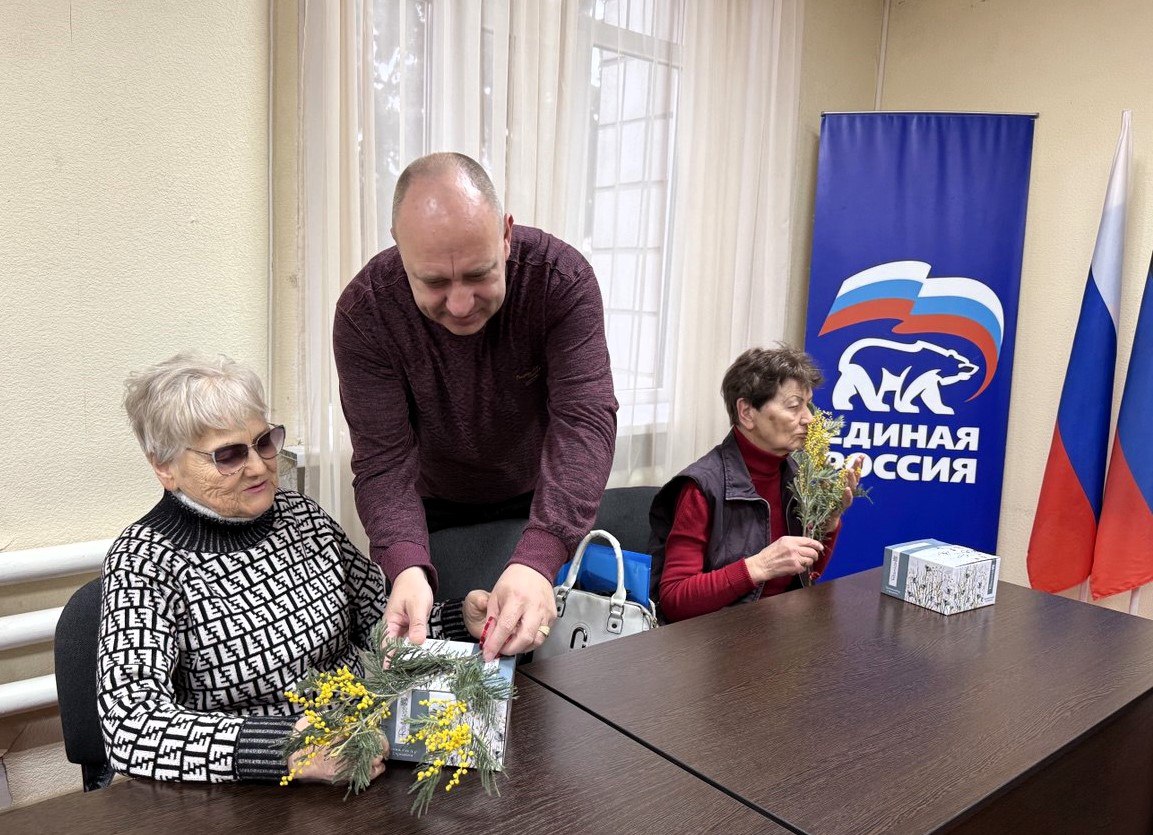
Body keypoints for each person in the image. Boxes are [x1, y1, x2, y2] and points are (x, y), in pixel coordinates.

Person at [97, 352, 489, 784]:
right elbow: (131, 727)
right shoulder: (144, 560)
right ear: (164, 467)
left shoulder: (301, 515)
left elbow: (380, 617)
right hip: (254, 791)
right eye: (228, 455)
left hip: (368, 752)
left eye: (264, 442)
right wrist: (291, 749)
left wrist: (457, 619)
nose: (260, 466)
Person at [333, 152, 617, 661]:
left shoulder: (560, 279)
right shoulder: (365, 314)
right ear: (400, 252)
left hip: (539, 496)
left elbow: (584, 420)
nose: (460, 304)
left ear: (506, 235)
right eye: (435, 283)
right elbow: (382, 460)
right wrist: (406, 567)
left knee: (538, 658)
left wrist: (540, 554)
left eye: (480, 275)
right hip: (431, 511)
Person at [648, 346, 863, 623]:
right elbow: (675, 599)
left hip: (775, 632)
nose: (809, 419)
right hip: (714, 644)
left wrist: (829, 521)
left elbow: (804, 578)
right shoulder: (701, 487)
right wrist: (760, 566)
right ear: (747, 413)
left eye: (808, 404)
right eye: (794, 405)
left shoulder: (798, 473)